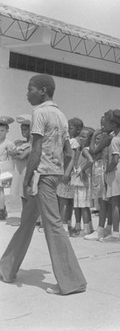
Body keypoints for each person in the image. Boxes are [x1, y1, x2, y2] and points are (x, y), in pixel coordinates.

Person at [0, 74, 86, 295]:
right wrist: (62, 174)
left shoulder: (39, 113)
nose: (27, 93)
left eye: (30, 89)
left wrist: (28, 179)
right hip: (52, 174)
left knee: (53, 226)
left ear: (43, 91)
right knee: (27, 223)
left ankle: (72, 281)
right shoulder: (61, 115)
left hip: (41, 176)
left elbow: (36, 150)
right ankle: (6, 269)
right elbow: (68, 153)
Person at [102, 109, 120, 243]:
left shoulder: (115, 140)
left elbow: (114, 160)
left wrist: (107, 171)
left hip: (116, 172)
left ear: (113, 124)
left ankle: (115, 234)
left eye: (106, 123)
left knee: (115, 204)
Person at [84, 116, 113, 241]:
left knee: (102, 200)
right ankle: (108, 227)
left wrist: (94, 136)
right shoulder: (109, 137)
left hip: (102, 168)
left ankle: (100, 230)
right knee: (105, 201)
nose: (101, 127)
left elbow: (92, 150)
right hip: (101, 167)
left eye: (103, 124)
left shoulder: (107, 137)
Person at [56, 117, 82, 234]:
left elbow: (71, 158)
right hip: (72, 173)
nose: (68, 130)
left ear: (78, 130)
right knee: (68, 201)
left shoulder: (72, 142)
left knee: (63, 200)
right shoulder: (76, 141)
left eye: (70, 128)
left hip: (67, 173)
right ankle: (68, 223)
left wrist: (66, 173)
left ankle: (64, 225)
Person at [71, 127, 95, 237]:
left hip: (82, 180)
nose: (81, 138)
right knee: (82, 205)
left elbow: (90, 161)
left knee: (82, 205)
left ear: (90, 139)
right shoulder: (84, 148)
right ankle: (87, 227)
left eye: (84, 136)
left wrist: (82, 169)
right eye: (80, 135)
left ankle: (83, 228)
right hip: (81, 180)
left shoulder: (85, 150)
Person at [9, 115, 32, 213]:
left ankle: (30, 217)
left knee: (27, 194)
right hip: (20, 171)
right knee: (22, 194)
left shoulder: (31, 143)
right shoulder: (23, 143)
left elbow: (22, 156)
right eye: (22, 130)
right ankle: (25, 216)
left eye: (25, 130)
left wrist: (13, 154)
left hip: (25, 171)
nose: (23, 132)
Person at [0, 116, 15, 220]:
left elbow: (12, 158)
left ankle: (1, 210)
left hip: (3, 169)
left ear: (7, 131)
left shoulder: (9, 143)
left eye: (2, 130)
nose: (0, 132)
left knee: (1, 190)